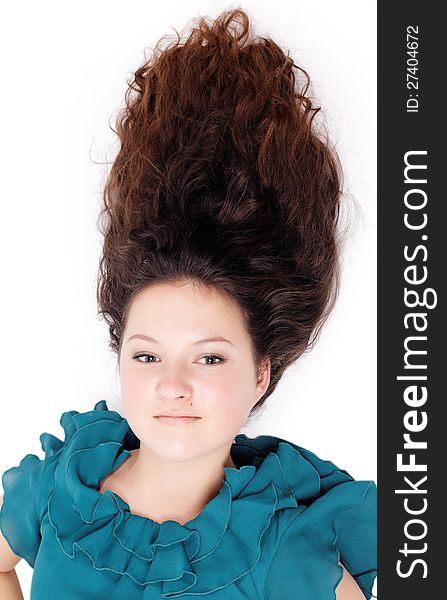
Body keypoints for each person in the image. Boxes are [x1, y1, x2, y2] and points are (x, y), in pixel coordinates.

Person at [0, 8, 377, 599]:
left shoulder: (293, 543)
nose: (172, 385)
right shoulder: (59, 490)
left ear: (262, 373)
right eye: (147, 356)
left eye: (209, 359)